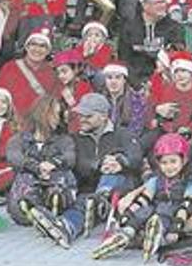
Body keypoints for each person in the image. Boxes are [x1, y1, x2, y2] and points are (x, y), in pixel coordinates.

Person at [27, 93, 142, 248]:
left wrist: (120, 162)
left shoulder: (122, 134)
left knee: (111, 173)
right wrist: (98, 164)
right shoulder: (75, 138)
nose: (82, 119)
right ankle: (66, 227)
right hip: (89, 189)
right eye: (81, 115)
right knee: (83, 202)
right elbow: (77, 163)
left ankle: (99, 201)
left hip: (119, 189)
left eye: (88, 116)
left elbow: (136, 155)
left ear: (103, 116)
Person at [93, 133, 192, 260]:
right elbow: (144, 199)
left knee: (164, 211)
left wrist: (176, 227)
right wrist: (128, 215)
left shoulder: (190, 181)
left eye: (173, 161)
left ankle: (157, 235)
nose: (169, 167)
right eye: (164, 163)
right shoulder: (156, 180)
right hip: (153, 209)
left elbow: (186, 205)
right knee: (145, 210)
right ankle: (126, 233)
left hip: (174, 213)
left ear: (183, 161)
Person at [6, 96, 76, 226]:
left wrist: (53, 163)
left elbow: (70, 157)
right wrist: (37, 167)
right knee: (25, 177)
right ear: (42, 114)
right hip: (32, 183)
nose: (58, 118)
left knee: (62, 175)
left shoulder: (64, 139)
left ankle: (55, 200)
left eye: (59, 114)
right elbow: (13, 156)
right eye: (54, 114)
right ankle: (29, 207)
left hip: (54, 180)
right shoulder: (19, 139)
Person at [117, 0, 184, 88]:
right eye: (158, 3)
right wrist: (138, 84)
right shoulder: (129, 28)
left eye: (164, 2)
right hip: (134, 80)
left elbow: (178, 54)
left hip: (165, 79)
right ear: (145, 5)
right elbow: (124, 59)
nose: (163, 5)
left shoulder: (173, 27)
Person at [0, 27, 57, 122]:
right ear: (26, 47)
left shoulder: (52, 74)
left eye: (42, 46)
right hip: (11, 122)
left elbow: (53, 103)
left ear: (48, 51)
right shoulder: (10, 68)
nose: (37, 49)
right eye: (33, 44)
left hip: (39, 124)